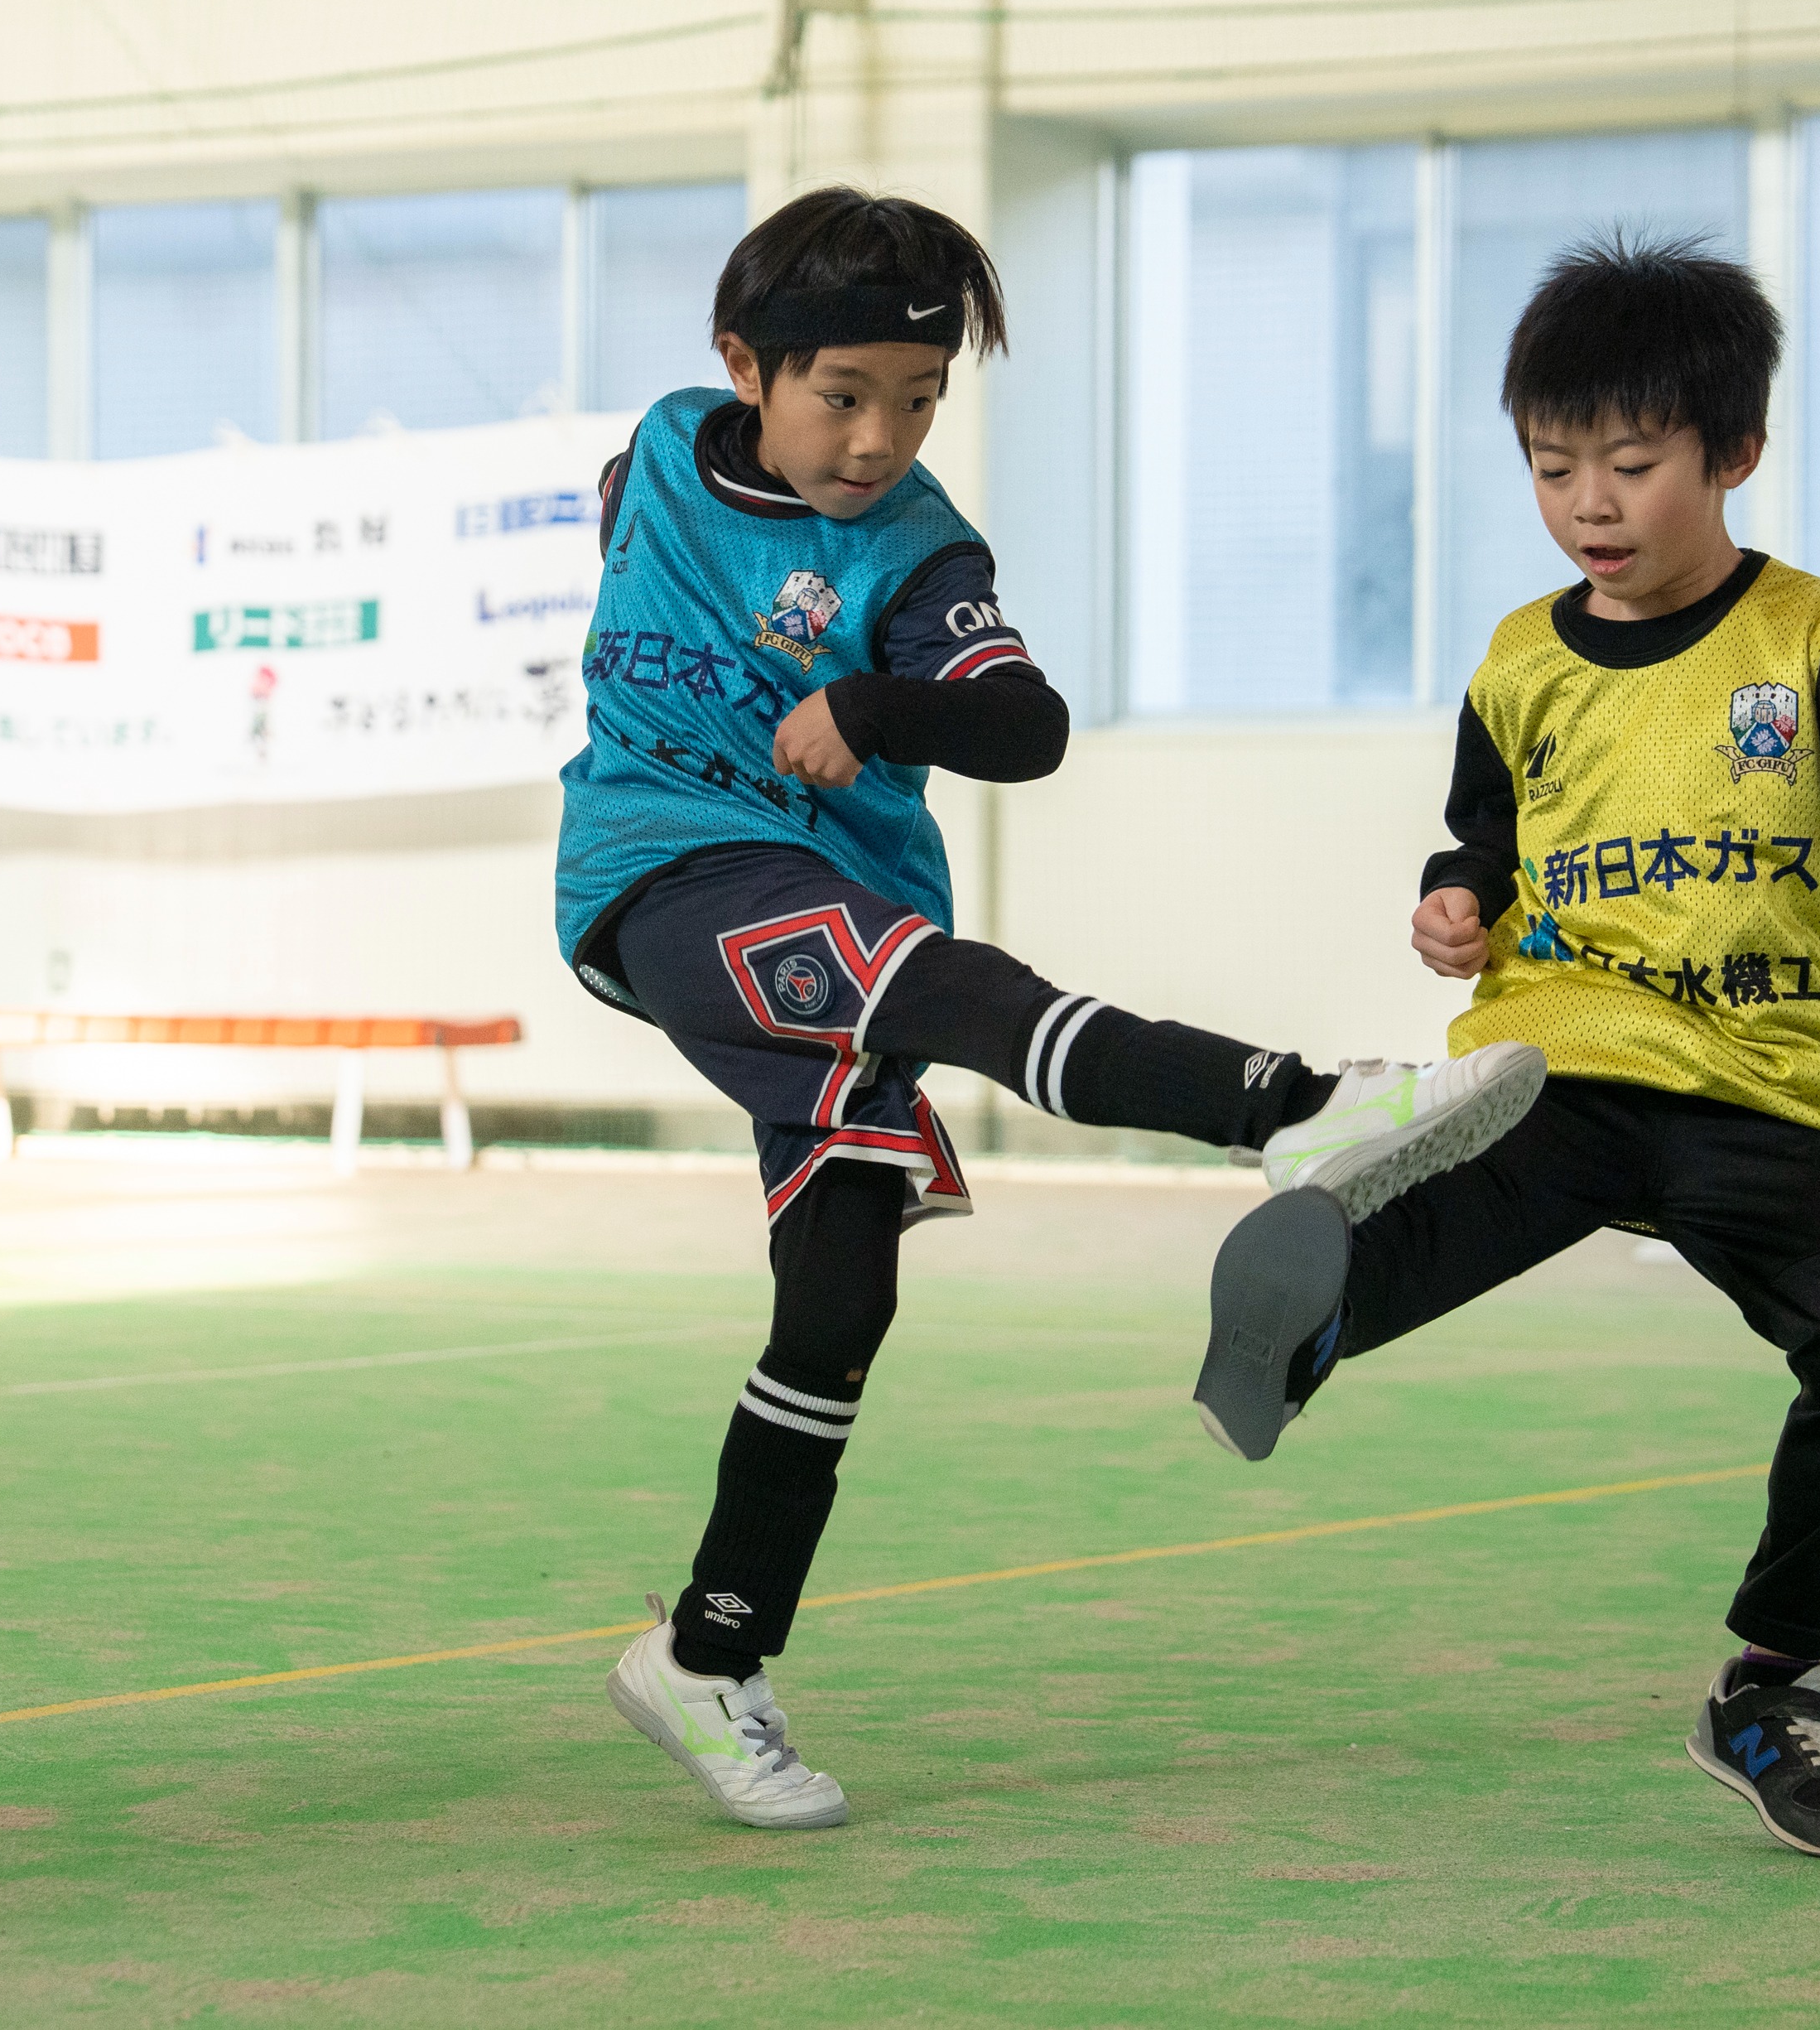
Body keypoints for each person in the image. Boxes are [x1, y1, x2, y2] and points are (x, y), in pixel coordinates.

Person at [560, 186, 1543, 1832]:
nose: (879, 435)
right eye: (841, 395)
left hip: (843, 901)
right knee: (943, 993)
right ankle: (1288, 1103)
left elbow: (1024, 724)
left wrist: (874, 700)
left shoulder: (920, 546)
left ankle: (706, 1649)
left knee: (837, 1298)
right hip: (662, 875)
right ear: (743, 364)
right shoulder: (657, 454)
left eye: (920, 397)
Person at [1187, 234, 1820, 1861]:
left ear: (1731, 456)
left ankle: (1767, 1686)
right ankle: (1305, 1313)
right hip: (1557, 1049)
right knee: (1475, 1186)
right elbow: (1476, 838)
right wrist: (1452, 902)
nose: (1589, 500)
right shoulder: (1518, 658)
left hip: (1764, 1080)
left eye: (1630, 464)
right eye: (1552, 464)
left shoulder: (1809, 638)